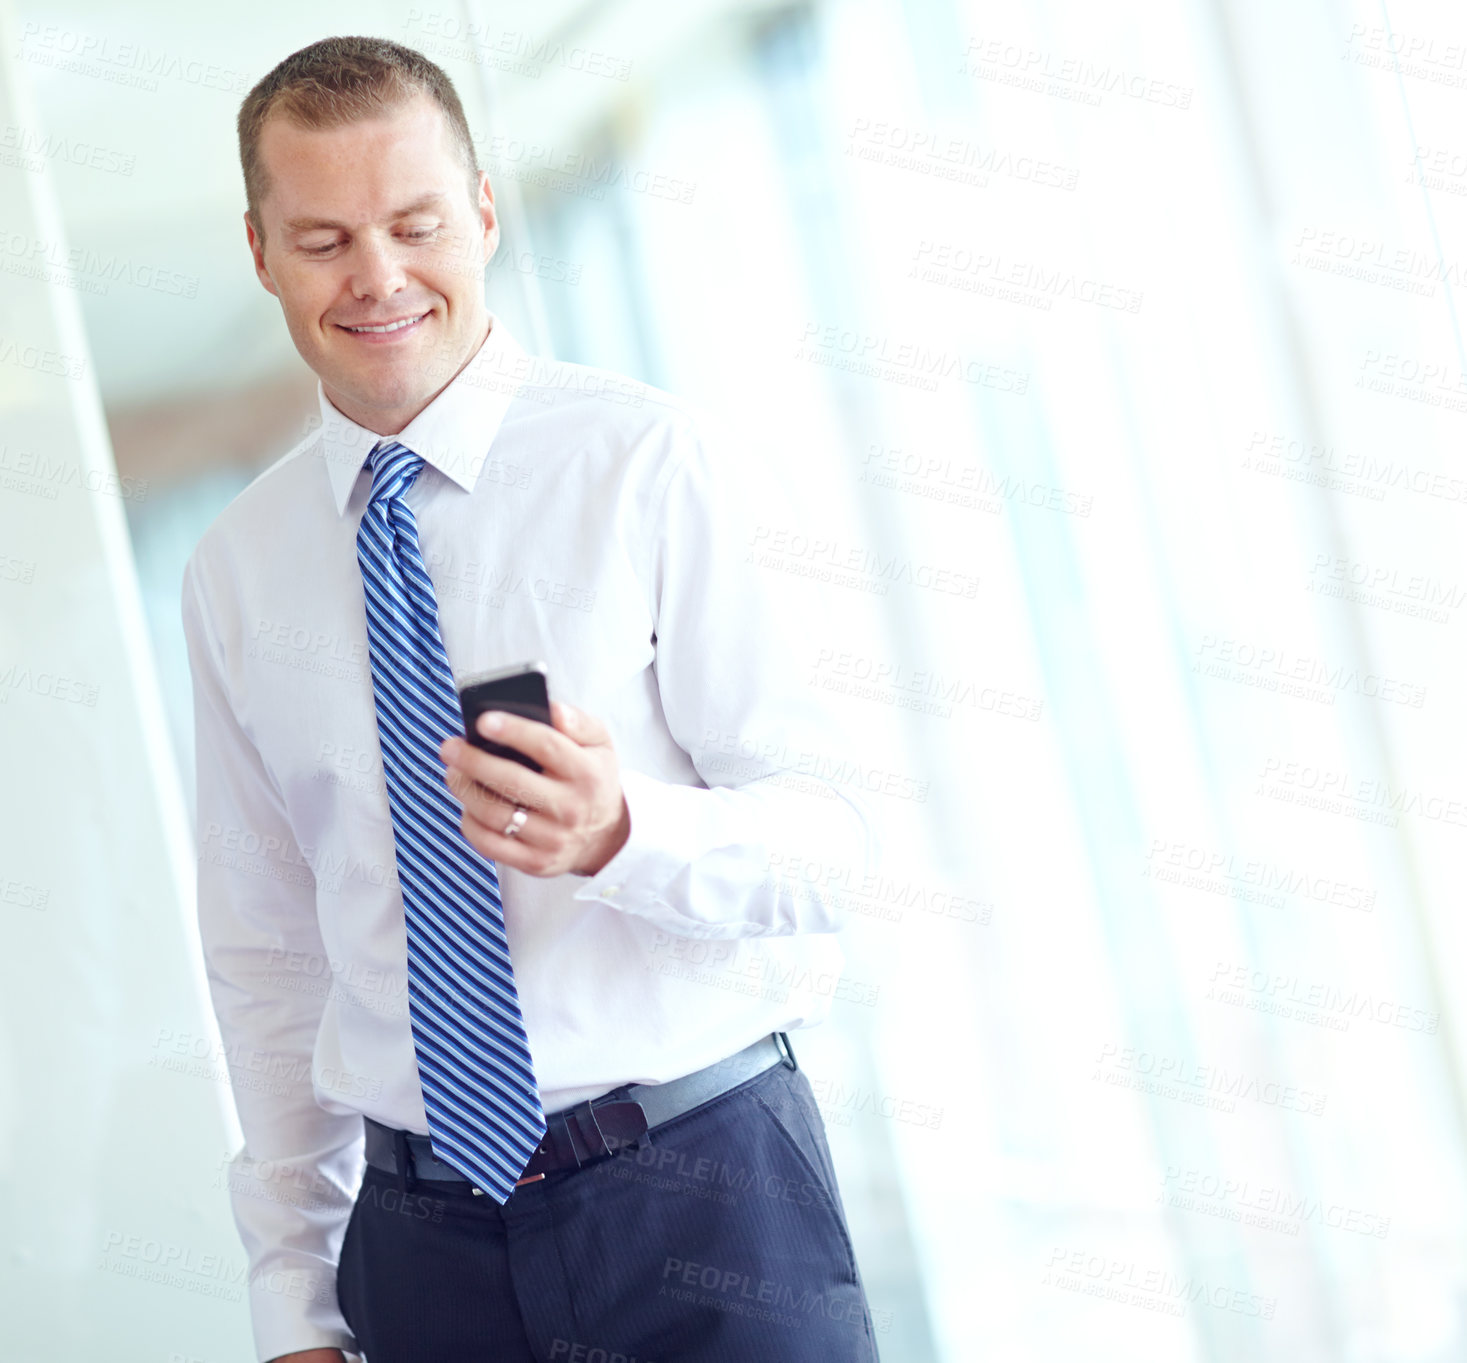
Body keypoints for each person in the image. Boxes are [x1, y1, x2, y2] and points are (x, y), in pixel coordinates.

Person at [183, 34, 880, 1363]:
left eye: (415, 222)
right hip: (421, 1250)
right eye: (324, 239)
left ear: (485, 213)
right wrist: (293, 1299)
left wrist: (628, 833)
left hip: (709, 1206)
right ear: (263, 255)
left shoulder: (645, 462)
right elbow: (267, 961)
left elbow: (839, 844)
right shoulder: (233, 574)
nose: (378, 276)